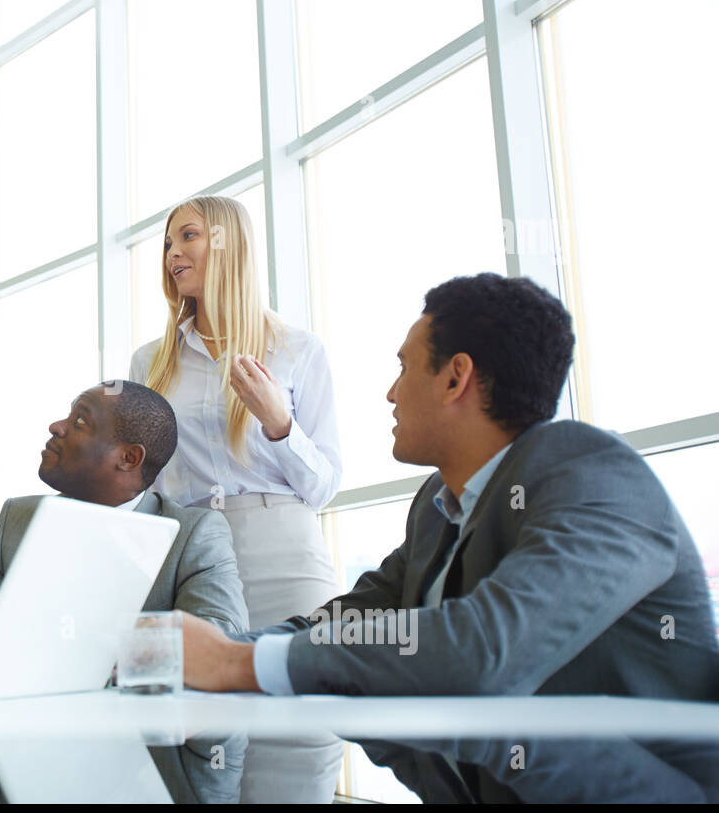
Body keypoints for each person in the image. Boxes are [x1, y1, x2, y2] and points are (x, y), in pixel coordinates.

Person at [181, 273, 719, 707]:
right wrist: (206, 651)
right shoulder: (438, 507)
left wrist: (236, 665)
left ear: (455, 378)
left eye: (404, 367)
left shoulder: (596, 477)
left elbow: (485, 648)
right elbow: (351, 619)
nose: (390, 393)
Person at [130, 194, 343, 802]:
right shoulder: (151, 363)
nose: (173, 254)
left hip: (286, 560)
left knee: (302, 729)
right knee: (197, 742)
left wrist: (280, 424)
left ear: (227, 244)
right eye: (168, 243)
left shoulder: (299, 350)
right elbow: (143, 484)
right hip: (195, 566)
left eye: (188, 237)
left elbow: (324, 486)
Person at [0, 379, 249, 803]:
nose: (56, 426)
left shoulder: (194, 535)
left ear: (129, 458)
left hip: (156, 772)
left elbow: (213, 650)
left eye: (79, 421)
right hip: (32, 767)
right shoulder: (17, 520)